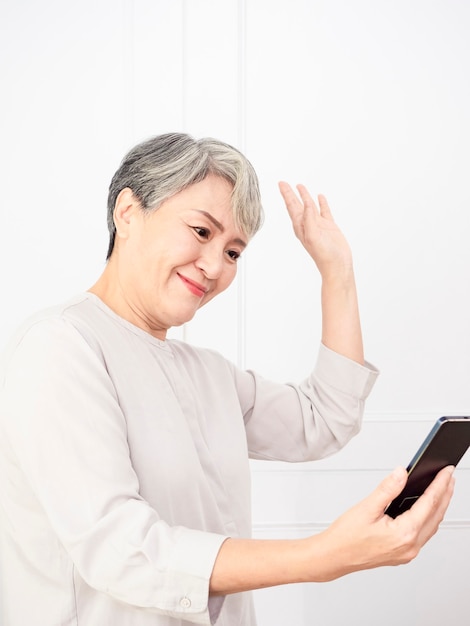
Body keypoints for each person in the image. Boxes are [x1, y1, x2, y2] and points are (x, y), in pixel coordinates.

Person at [0, 132, 454, 626]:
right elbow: (122, 549)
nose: (215, 265)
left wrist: (337, 271)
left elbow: (325, 419)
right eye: (201, 231)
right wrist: (320, 556)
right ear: (128, 212)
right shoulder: (60, 346)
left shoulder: (207, 373)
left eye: (234, 252)